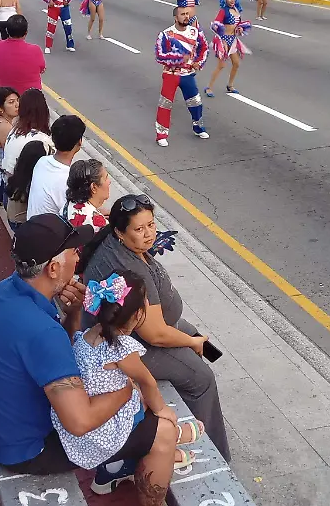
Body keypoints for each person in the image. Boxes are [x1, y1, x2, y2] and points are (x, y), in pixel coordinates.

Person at [0, 215, 180, 506]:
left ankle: (118, 466)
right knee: (164, 430)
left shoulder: (6, 290)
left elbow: (54, 358)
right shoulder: (42, 332)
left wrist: (73, 314)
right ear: (54, 268)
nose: (78, 256)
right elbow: (80, 423)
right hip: (31, 450)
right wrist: (128, 389)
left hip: (4, 432)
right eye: (72, 252)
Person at [78, 196, 232, 463]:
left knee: (195, 336)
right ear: (119, 232)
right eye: (139, 229)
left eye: (151, 224)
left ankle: (197, 353)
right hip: (132, 339)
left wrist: (191, 339)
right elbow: (156, 335)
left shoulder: (121, 244)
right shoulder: (124, 265)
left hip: (146, 327)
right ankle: (214, 453)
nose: (149, 233)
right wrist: (190, 343)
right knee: (202, 377)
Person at [54, 268, 199, 475]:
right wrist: (161, 410)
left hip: (83, 424)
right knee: (143, 401)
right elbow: (147, 380)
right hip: (103, 431)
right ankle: (171, 441)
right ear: (139, 313)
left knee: (134, 391)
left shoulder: (87, 336)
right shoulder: (122, 348)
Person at [154, 5, 210, 147]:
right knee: (165, 104)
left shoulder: (195, 32)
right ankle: (161, 134)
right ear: (175, 17)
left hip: (188, 75)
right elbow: (160, 56)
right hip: (170, 74)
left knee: (196, 103)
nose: (186, 16)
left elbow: (204, 48)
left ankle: (198, 127)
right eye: (183, 14)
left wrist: (199, 62)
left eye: (187, 14)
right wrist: (179, 58)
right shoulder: (166, 34)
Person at [205, 0, 251, 98]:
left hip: (233, 40)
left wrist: (239, 29)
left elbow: (236, 25)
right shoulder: (223, 11)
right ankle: (209, 87)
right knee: (221, 65)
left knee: (236, 63)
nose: (232, 0)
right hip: (223, 40)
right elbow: (216, 25)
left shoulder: (236, 9)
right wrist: (223, 41)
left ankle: (230, 85)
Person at [27, 115, 86, 219]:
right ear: (79, 142)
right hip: (50, 233)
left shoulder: (42, 161)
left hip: (32, 225)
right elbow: (76, 215)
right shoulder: (71, 180)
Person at [3, 89, 54, 175]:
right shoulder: (43, 140)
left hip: (8, 182)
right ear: (44, 111)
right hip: (25, 185)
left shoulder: (14, 130)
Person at [0, 15, 46, 94]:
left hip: (6, 96)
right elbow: (42, 69)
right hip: (31, 97)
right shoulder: (35, 50)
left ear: (7, 31)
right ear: (26, 32)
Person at [62, 159, 111, 231]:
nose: (109, 181)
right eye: (106, 178)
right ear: (94, 187)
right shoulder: (100, 226)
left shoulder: (70, 204)